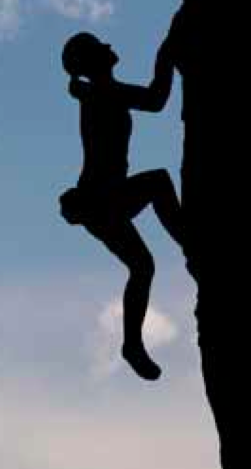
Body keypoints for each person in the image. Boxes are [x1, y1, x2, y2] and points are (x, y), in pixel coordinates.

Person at [59, 28, 182, 381]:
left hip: (101, 201)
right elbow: (156, 100)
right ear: (92, 61)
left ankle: (131, 344)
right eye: (101, 46)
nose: (110, 46)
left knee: (142, 267)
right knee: (158, 181)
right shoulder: (103, 93)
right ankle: (190, 241)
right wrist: (166, 55)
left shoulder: (97, 93)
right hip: (102, 197)